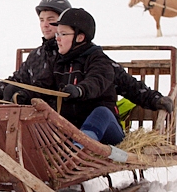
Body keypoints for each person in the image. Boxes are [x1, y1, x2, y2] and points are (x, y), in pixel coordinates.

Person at [0, 0, 175, 116]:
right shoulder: (37, 55)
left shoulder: (83, 54)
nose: (45, 25)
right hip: (40, 122)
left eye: (51, 20)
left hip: (71, 120)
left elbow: (120, 80)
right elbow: (20, 79)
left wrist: (154, 99)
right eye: (41, 20)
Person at [50, 8, 125, 145]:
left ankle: (79, 150)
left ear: (80, 37)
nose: (57, 39)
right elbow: (41, 84)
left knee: (101, 112)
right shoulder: (57, 62)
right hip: (72, 132)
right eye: (57, 34)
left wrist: (79, 90)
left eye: (63, 34)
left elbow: (96, 81)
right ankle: (76, 147)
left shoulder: (99, 60)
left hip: (105, 132)